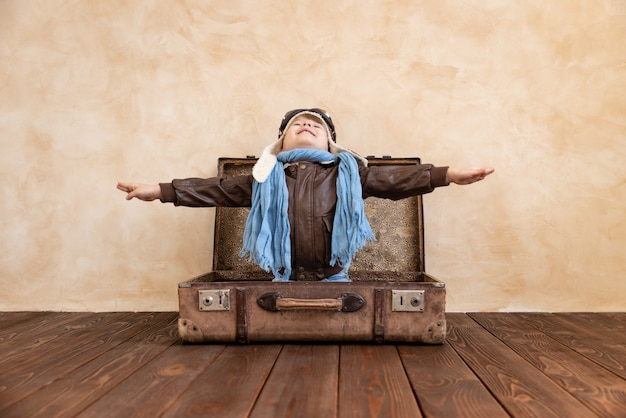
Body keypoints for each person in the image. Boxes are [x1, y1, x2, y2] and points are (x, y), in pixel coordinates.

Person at [117, 108, 494, 282]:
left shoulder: (348, 174)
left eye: (317, 124)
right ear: (279, 142)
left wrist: (447, 175)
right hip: (282, 278)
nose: (307, 124)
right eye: (298, 123)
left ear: (332, 143)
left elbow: (398, 179)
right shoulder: (264, 178)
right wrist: (161, 190)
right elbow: (213, 188)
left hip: (333, 277)